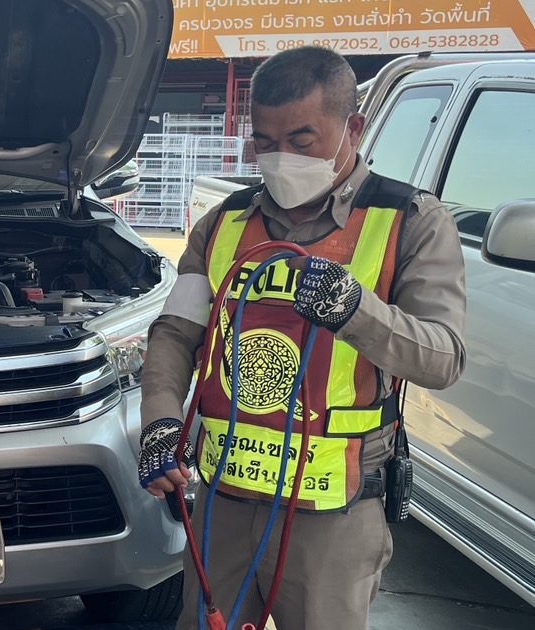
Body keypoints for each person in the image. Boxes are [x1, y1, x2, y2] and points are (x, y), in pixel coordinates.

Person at [137, 46, 465, 630]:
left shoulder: (409, 221)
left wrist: (354, 309)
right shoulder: (223, 224)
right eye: (265, 141)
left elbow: (442, 358)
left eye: (302, 140)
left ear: (352, 129)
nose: (281, 157)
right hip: (225, 500)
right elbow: (175, 334)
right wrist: (161, 422)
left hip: (332, 509)